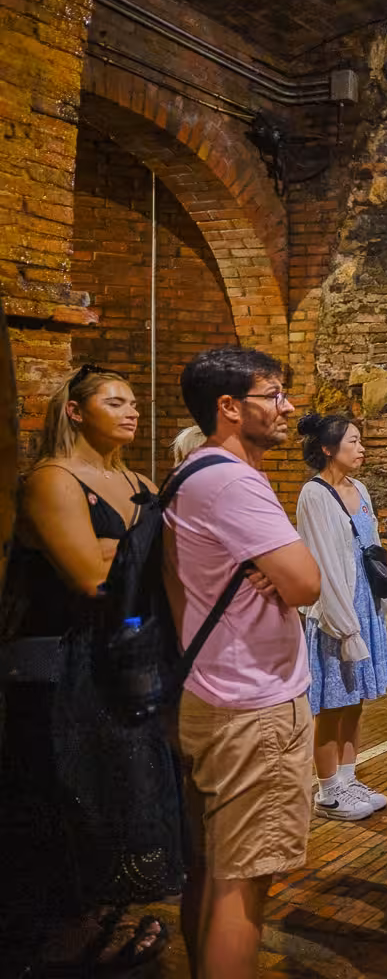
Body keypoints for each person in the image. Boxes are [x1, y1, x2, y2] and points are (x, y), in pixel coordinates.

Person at [0, 366, 180, 974]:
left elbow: (163, 563)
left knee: (114, 791)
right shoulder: (52, 480)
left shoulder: (135, 478)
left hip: (115, 660)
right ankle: (56, 938)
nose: (131, 411)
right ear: (76, 412)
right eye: (114, 402)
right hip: (52, 667)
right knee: (61, 794)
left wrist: (121, 551)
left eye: (134, 401)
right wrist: (133, 552)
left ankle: (101, 913)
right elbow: (92, 577)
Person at [164, 345, 322, 978]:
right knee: (245, 883)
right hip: (253, 706)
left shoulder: (193, 470)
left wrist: (276, 567)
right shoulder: (232, 481)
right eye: (273, 394)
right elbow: (306, 582)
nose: (286, 406)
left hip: (211, 692)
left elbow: (286, 574)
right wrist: (281, 566)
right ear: (229, 407)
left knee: (211, 867)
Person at [295, 415, 387, 821]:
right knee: (332, 703)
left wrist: (386, 598)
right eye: (353, 441)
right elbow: (323, 566)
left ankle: (349, 778)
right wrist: (344, 625)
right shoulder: (313, 495)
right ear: (327, 448)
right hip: (337, 612)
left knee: (355, 703)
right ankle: (329, 790)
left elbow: (371, 551)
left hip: (364, 603)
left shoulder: (361, 488)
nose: (361, 448)